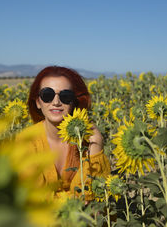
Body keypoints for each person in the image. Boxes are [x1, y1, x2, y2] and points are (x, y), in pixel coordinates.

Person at [16, 65, 110, 200]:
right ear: (37, 102)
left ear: (73, 102)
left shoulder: (86, 138)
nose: (56, 102)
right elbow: (34, 199)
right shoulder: (27, 140)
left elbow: (95, 199)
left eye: (65, 96)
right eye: (47, 95)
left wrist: (95, 147)